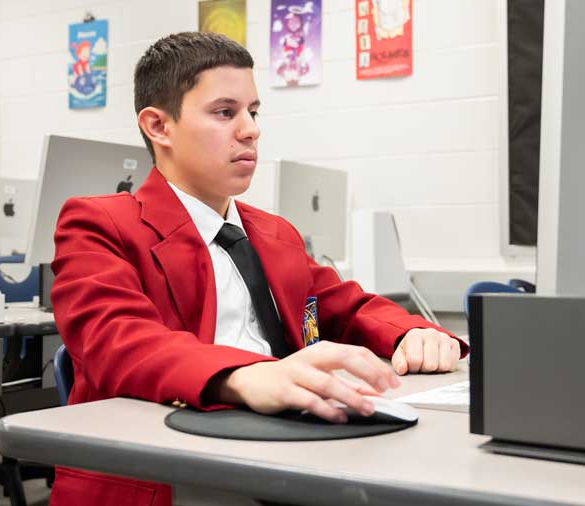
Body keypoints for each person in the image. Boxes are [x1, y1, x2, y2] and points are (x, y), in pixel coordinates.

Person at [48, 32, 467, 506]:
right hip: (167, 472)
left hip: (279, 459)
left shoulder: (273, 233)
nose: (250, 130)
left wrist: (410, 333)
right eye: (225, 112)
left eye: (254, 111)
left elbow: (345, 307)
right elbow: (118, 342)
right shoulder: (99, 222)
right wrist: (244, 374)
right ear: (159, 127)